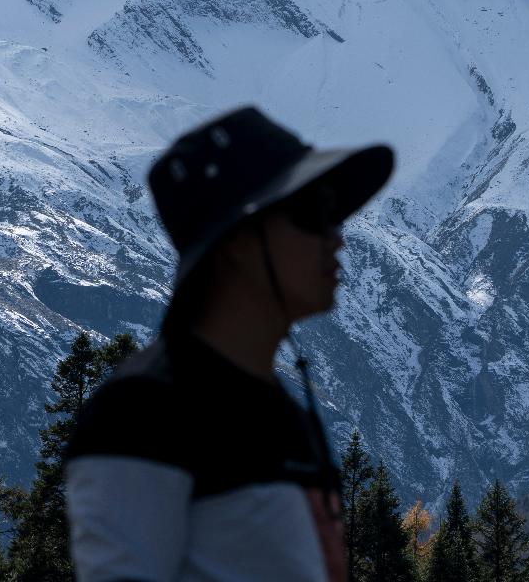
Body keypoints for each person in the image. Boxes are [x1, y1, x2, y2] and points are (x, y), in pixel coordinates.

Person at [64, 106, 394, 582]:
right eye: (313, 213)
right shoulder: (143, 411)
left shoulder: (286, 417)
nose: (337, 237)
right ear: (238, 240)